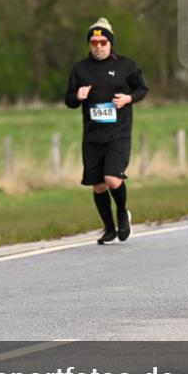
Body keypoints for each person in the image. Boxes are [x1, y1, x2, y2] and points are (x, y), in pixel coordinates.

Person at [65, 18, 149, 243]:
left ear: (110, 43)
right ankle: (109, 228)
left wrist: (128, 98)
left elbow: (143, 89)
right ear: (89, 44)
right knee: (99, 186)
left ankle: (122, 213)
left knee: (112, 179)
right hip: (92, 136)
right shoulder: (80, 69)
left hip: (118, 134)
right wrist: (77, 96)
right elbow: (69, 99)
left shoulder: (126, 65)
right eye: (94, 42)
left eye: (103, 41)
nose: (99, 46)